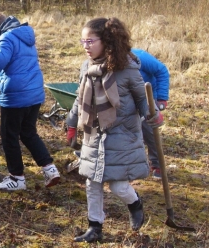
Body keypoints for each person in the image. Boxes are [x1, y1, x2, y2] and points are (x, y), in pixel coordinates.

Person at [66, 17, 163, 243]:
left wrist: (154, 114)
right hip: (93, 134)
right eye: (83, 41)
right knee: (92, 183)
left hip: (122, 137)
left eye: (90, 41)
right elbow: (80, 100)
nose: (86, 46)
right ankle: (95, 227)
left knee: (118, 186)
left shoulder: (127, 70)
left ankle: (135, 203)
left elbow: (143, 101)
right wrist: (72, 123)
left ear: (107, 41)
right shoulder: (86, 67)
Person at [0, 10, 60, 191]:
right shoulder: (25, 37)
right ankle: (50, 169)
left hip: (15, 96)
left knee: (9, 136)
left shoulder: (6, 38)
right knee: (28, 133)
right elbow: (16, 64)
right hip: (34, 94)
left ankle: (16, 178)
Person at [132, 48, 170, 180]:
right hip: (129, 97)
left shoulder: (141, 57)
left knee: (149, 130)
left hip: (148, 96)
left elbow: (162, 70)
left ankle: (158, 164)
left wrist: (161, 98)